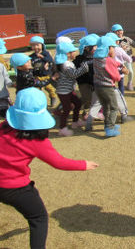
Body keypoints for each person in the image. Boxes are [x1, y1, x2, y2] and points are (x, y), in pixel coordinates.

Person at [0, 87, 98, 249]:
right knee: (38, 218)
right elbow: (58, 162)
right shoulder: (36, 140)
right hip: (15, 188)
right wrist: (83, 164)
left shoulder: (4, 127)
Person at [93, 36, 128, 137]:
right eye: (113, 47)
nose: (114, 50)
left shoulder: (96, 58)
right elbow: (116, 77)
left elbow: (114, 63)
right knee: (113, 107)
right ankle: (110, 128)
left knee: (105, 107)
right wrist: (123, 71)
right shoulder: (109, 61)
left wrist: (119, 65)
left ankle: (107, 125)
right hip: (107, 87)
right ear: (107, 49)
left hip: (98, 86)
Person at [55, 42, 89, 136]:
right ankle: (62, 128)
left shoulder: (67, 63)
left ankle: (75, 121)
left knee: (78, 103)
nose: (75, 53)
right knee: (66, 109)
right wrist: (84, 68)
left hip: (68, 90)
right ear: (67, 53)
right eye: (73, 51)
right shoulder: (66, 65)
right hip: (64, 92)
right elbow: (74, 74)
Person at [74, 34, 99, 130]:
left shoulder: (96, 57)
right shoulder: (79, 59)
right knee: (87, 97)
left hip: (93, 82)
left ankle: (85, 111)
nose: (96, 48)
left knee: (92, 98)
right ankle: (84, 110)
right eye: (94, 46)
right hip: (83, 82)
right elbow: (74, 69)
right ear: (87, 48)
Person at [29, 36, 58, 107]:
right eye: (33, 45)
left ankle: (53, 97)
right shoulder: (31, 56)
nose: (35, 47)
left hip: (46, 75)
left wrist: (43, 58)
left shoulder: (46, 53)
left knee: (49, 88)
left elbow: (50, 60)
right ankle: (39, 102)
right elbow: (30, 64)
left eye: (37, 45)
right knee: (37, 90)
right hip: (36, 76)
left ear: (42, 45)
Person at [112, 24, 135, 91]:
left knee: (130, 72)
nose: (119, 32)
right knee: (117, 73)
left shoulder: (127, 39)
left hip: (127, 58)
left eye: (120, 30)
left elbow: (134, 45)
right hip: (118, 60)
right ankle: (116, 86)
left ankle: (130, 83)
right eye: (117, 31)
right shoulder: (112, 41)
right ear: (113, 32)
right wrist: (121, 49)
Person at [0, 39, 12, 118]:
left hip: (2, 91)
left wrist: (10, 83)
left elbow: (6, 76)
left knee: (3, 107)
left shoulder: (1, 65)